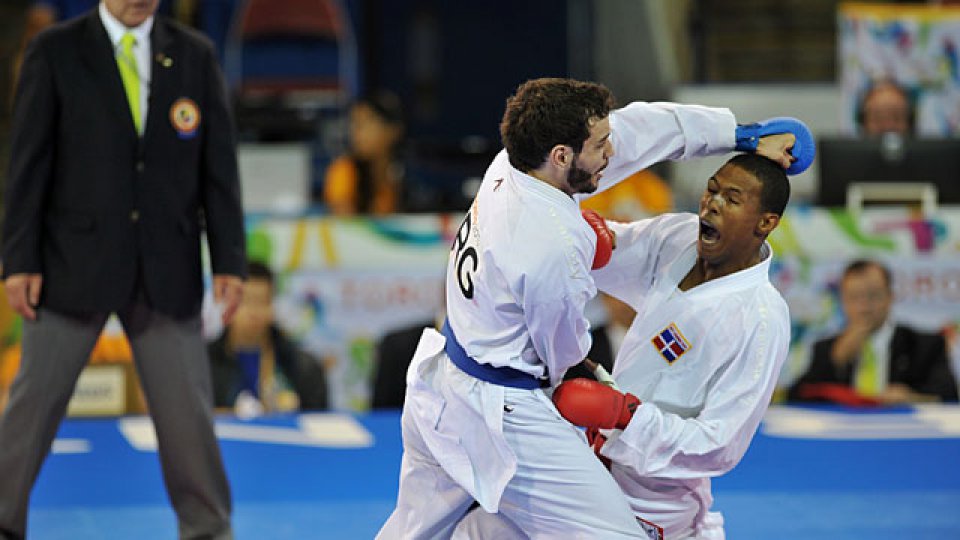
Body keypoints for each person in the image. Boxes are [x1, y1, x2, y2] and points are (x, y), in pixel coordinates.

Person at [376, 77, 798, 538]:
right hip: (511, 410)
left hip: (642, 479)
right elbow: (563, 357)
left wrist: (739, 135)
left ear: (766, 223)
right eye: (600, 145)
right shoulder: (560, 242)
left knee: (434, 530)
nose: (612, 152)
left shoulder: (513, 165)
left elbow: (636, 134)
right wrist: (602, 393)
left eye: (730, 199)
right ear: (562, 156)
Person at [0, 1, 245, 538]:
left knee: (188, 418)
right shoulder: (56, 51)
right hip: (70, 264)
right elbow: (27, 163)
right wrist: (19, 259)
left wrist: (229, 258)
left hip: (167, 266)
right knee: (30, 410)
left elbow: (219, 167)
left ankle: (208, 531)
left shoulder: (195, 56)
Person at [460, 152, 796, 539]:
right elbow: (611, 249)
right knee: (476, 530)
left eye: (732, 199)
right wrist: (573, 232)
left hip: (654, 501)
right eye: (711, 190)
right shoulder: (681, 238)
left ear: (766, 222)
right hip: (594, 463)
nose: (712, 204)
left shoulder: (761, 319)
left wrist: (628, 416)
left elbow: (720, 446)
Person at [788, 259, 958, 405]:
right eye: (854, 297)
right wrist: (835, 361)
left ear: (890, 297)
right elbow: (796, 397)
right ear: (843, 301)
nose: (863, 307)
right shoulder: (827, 349)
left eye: (872, 296)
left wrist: (911, 397)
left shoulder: (925, 345)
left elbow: (949, 396)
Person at [209, 261, 328, 415]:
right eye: (245, 301)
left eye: (262, 302)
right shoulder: (205, 363)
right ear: (227, 303)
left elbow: (319, 422)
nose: (254, 312)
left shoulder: (301, 367)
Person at [322, 91, 411, 215]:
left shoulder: (405, 173)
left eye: (365, 123)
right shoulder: (344, 170)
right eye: (354, 124)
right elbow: (345, 220)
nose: (356, 132)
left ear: (393, 130)